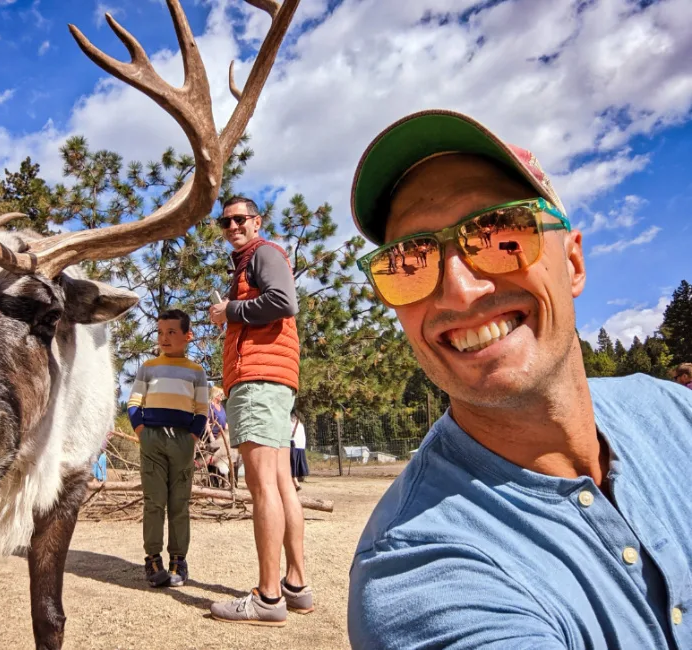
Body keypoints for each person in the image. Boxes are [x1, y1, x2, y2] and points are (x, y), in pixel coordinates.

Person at [347, 109, 692, 648]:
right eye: (409, 261)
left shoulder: (677, 415)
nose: (459, 290)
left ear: (573, 262)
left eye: (498, 231)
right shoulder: (417, 572)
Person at [208, 195, 314, 625]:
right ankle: (296, 584)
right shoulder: (252, 259)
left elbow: (284, 302)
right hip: (272, 379)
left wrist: (228, 311)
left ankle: (268, 597)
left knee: (262, 486)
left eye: (239, 219)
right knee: (282, 482)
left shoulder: (265, 254)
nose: (231, 226)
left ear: (257, 222)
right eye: (225, 221)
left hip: (257, 380)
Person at [127, 309, 208, 588]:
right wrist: (142, 431)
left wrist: (192, 438)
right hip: (152, 439)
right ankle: (152, 559)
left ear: (188, 336)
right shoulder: (148, 367)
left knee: (179, 504)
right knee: (154, 502)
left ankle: (178, 560)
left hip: (183, 441)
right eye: (161, 332)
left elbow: (202, 409)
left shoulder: (197, 372)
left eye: (172, 332)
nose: (164, 338)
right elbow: (134, 402)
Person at [289, 412, 308, 490]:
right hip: (300, 447)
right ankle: (295, 482)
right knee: (294, 466)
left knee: (291, 466)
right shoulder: (300, 425)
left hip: (293, 445)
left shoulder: (290, 424)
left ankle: (295, 483)